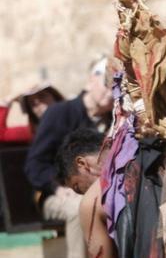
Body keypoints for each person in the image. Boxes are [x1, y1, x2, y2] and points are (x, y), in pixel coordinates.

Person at [24, 57, 113, 258]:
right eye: (106, 82)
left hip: (101, 190)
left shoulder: (116, 118)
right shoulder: (59, 113)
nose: (110, 92)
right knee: (79, 207)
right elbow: (35, 163)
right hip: (56, 194)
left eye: (115, 85)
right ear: (91, 80)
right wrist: (58, 188)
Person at [57, 128, 114, 258]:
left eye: (77, 187)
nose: (83, 194)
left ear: (82, 163)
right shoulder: (148, 150)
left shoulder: (91, 203)